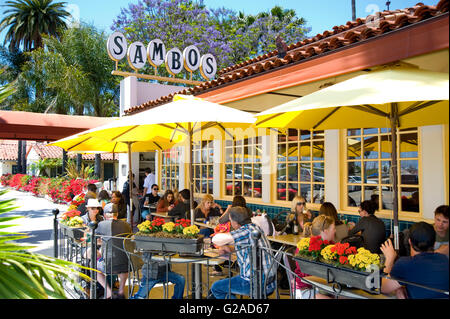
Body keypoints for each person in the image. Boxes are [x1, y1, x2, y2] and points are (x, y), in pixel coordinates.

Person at [210, 207, 277, 299]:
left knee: (216, 288)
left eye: (230, 220)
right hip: (270, 282)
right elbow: (248, 245)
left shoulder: (244, 231)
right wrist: (230, 248)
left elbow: (216, 239)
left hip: (254, 283)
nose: (230, 223)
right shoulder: (255, 227)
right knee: (226, 285)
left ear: (236, 222)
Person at [381, 222, 449, 299]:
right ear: (434, 243)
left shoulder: (405, 264)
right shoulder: (444, 260)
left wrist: (389, 259)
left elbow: (383, 288)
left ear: (409, 241)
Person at [95, 203, 132, 299]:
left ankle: (108, 292)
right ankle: (121, 291)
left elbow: (94, 239)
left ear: (105, 215)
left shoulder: (101, 224)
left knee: (93, 266)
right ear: (117, 214)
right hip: (126, 264)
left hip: (108, 265)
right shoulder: (126, 225)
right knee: (123, 263)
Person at [294, 215, 336, 299]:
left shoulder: (331, 245)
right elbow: (306, 274)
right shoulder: (306, 247)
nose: (335, 231)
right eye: (333, 228)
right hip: (305, 288)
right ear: (325, 231)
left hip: (324, 287)